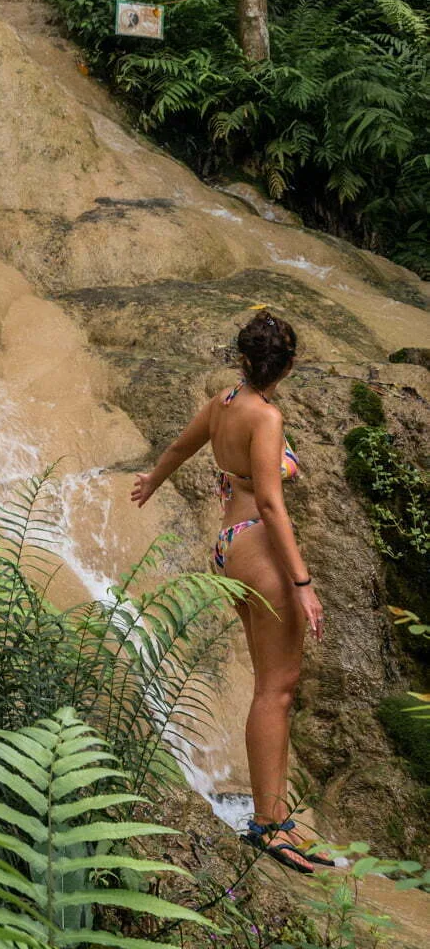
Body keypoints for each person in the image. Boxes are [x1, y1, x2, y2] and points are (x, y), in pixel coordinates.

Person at [130, 306, 332, 874]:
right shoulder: (266, 418)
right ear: (288, 366)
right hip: (261, 547)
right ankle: (271, 826)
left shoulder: (223, 404)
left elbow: (179, 447)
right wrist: (304, 583)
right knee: (278, 688)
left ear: (243, 359)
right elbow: (271, 502)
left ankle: (275, 816)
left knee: (274, 687)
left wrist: (153, 479)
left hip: (229, 546)